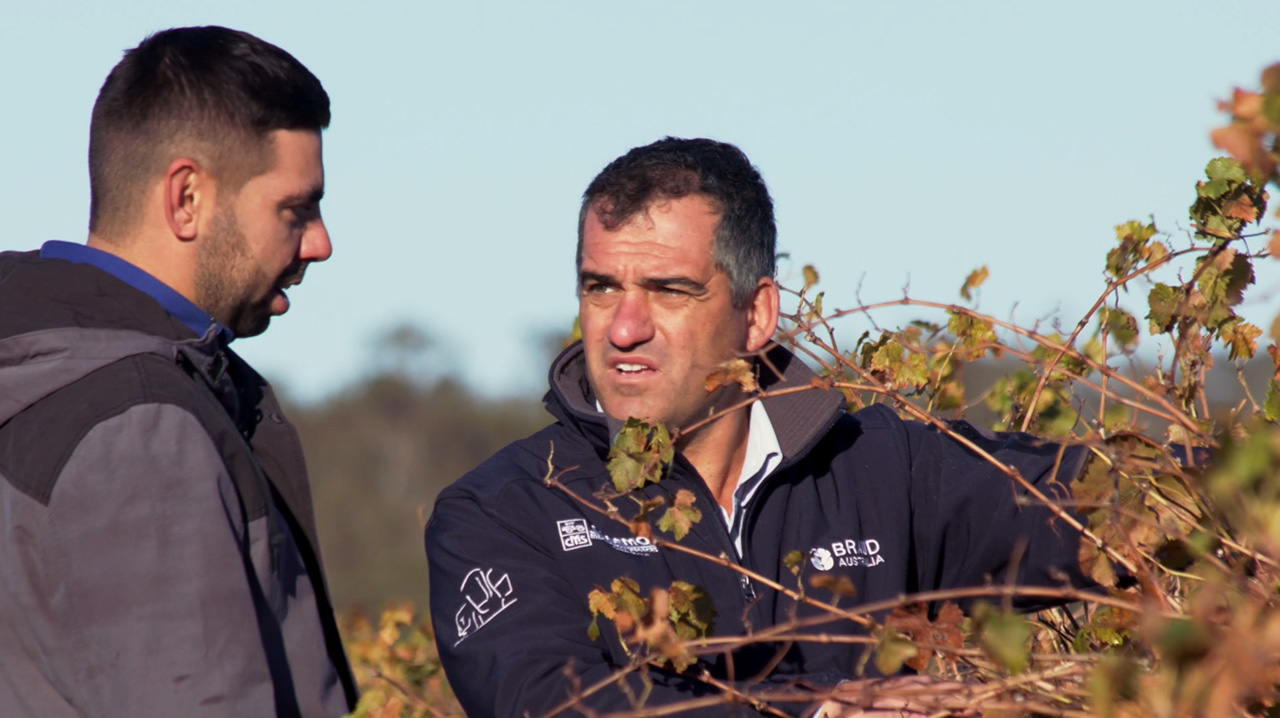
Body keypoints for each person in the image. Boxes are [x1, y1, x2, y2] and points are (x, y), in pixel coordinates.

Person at [425, 137, 1089, 716]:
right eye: (600, 287)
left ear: (756, 314)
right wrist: (819, 706)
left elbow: (1121, 514)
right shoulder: (504, 511)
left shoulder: (881, 468)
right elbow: (553, 705)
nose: (624, 329)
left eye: (668, 290)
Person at [0, 26, 356, 716]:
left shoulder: (39, 365)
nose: (320, 242)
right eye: (295, 208)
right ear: (186, 197)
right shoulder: (137, 426)